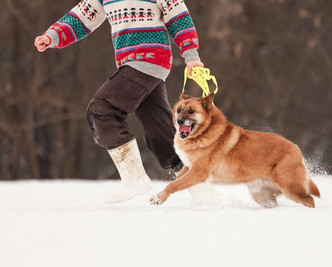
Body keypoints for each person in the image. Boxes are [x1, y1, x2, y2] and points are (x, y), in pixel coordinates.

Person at [34, 0, 204, 204]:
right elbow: (82, 16)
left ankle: (134, 178)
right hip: (133, 64)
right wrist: (52, 36)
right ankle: (201, 188)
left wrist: (191, 55)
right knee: (159, 131)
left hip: (149, 58)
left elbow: (178, 17)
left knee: (102, 109)